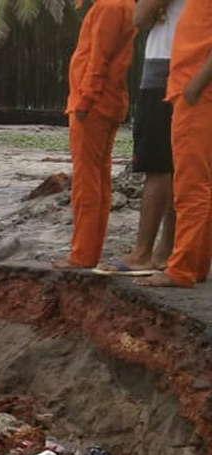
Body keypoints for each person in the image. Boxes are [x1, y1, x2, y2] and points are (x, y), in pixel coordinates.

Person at [99, 0, 185, 273]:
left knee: (158, 165)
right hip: (188, 65)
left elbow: (141, 17)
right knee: (178, 164)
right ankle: (166, 250)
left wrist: (149, 10)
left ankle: (143, 252)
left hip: (165, 65)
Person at [53, 0, 137, 270]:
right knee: (98, 178)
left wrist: (85, 101)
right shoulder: (119, 5)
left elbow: (99, 58)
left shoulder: (110, 6)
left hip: (94, 104)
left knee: (87, 180)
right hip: (105, 102)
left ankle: (82, 255)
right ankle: (88, 252)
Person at [136, 0, 212, 287]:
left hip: (195, 92)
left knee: (191, 185)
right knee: (197, 182)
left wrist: (194, 86)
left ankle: (181, 270)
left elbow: (140, 16)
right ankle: (195, 265)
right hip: (186, 88)